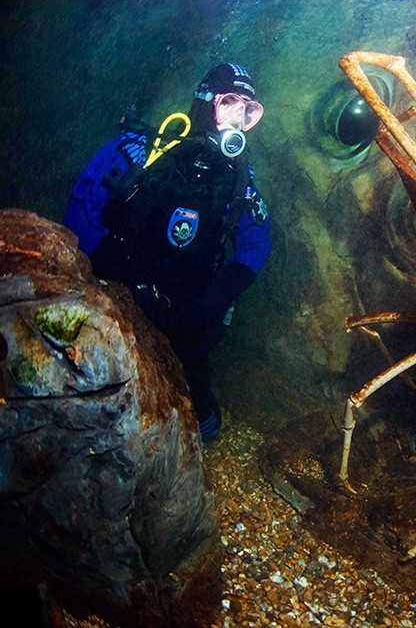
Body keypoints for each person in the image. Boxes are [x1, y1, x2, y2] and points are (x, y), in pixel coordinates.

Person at [64, 63, 272, 442]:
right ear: (203, 102)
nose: (238, 118)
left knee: (206, 429)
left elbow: (257, 242)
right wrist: (124, 280)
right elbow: (81, 209)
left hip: (186, 315)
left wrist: (215, 298)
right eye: (229, 103)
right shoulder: (142, 152)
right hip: (117, 295)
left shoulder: (239, 180)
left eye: (248, 110)